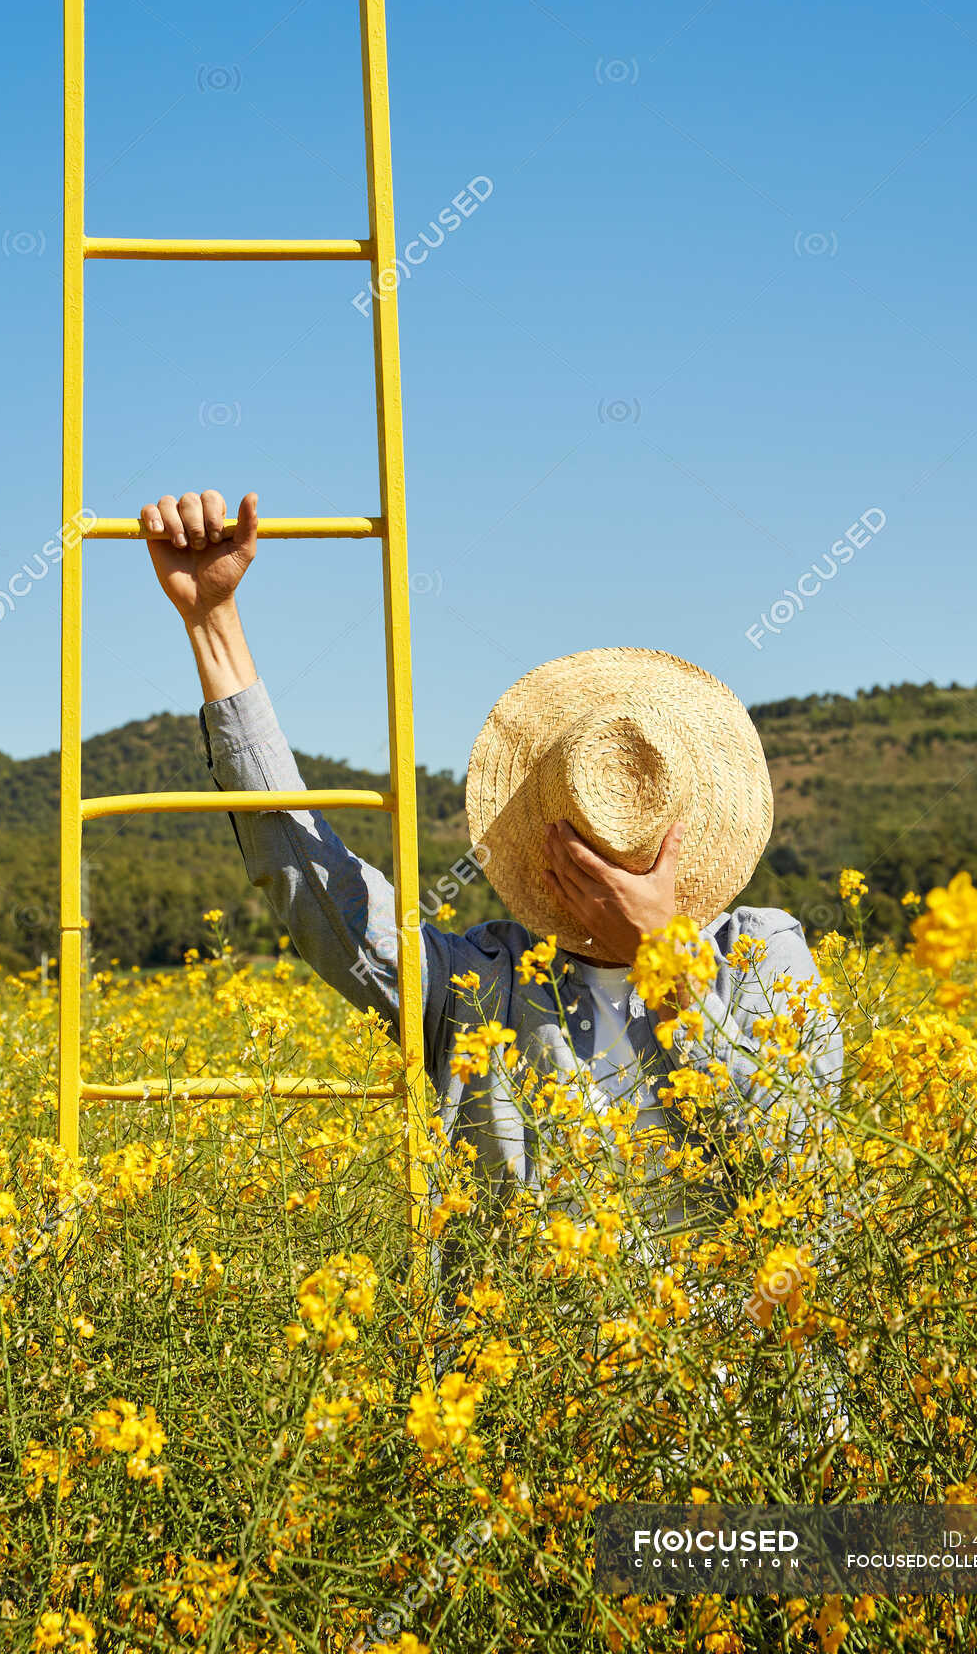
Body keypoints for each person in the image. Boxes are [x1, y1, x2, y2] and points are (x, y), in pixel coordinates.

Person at [141, 486, 844, 1248]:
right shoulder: (482, 982)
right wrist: (214, 625)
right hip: (521, 1368)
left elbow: (798, 1173)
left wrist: (667, 963)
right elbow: (312, 884)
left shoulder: (759, 952)